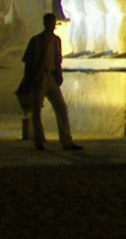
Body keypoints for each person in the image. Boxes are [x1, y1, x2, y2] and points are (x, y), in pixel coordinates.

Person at [15, 12, 80, 152]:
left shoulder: (56, 40)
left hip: (51, 76)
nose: (52, 26)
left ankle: (66, 141)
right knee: (37, 111)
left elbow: (57, 59)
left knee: (61, 107)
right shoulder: (36, 40)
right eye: (50, 23)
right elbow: (28, 61)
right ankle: (39, 141)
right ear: (45, 24)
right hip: (39, 77)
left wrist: (59, 74)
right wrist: (28, 80)